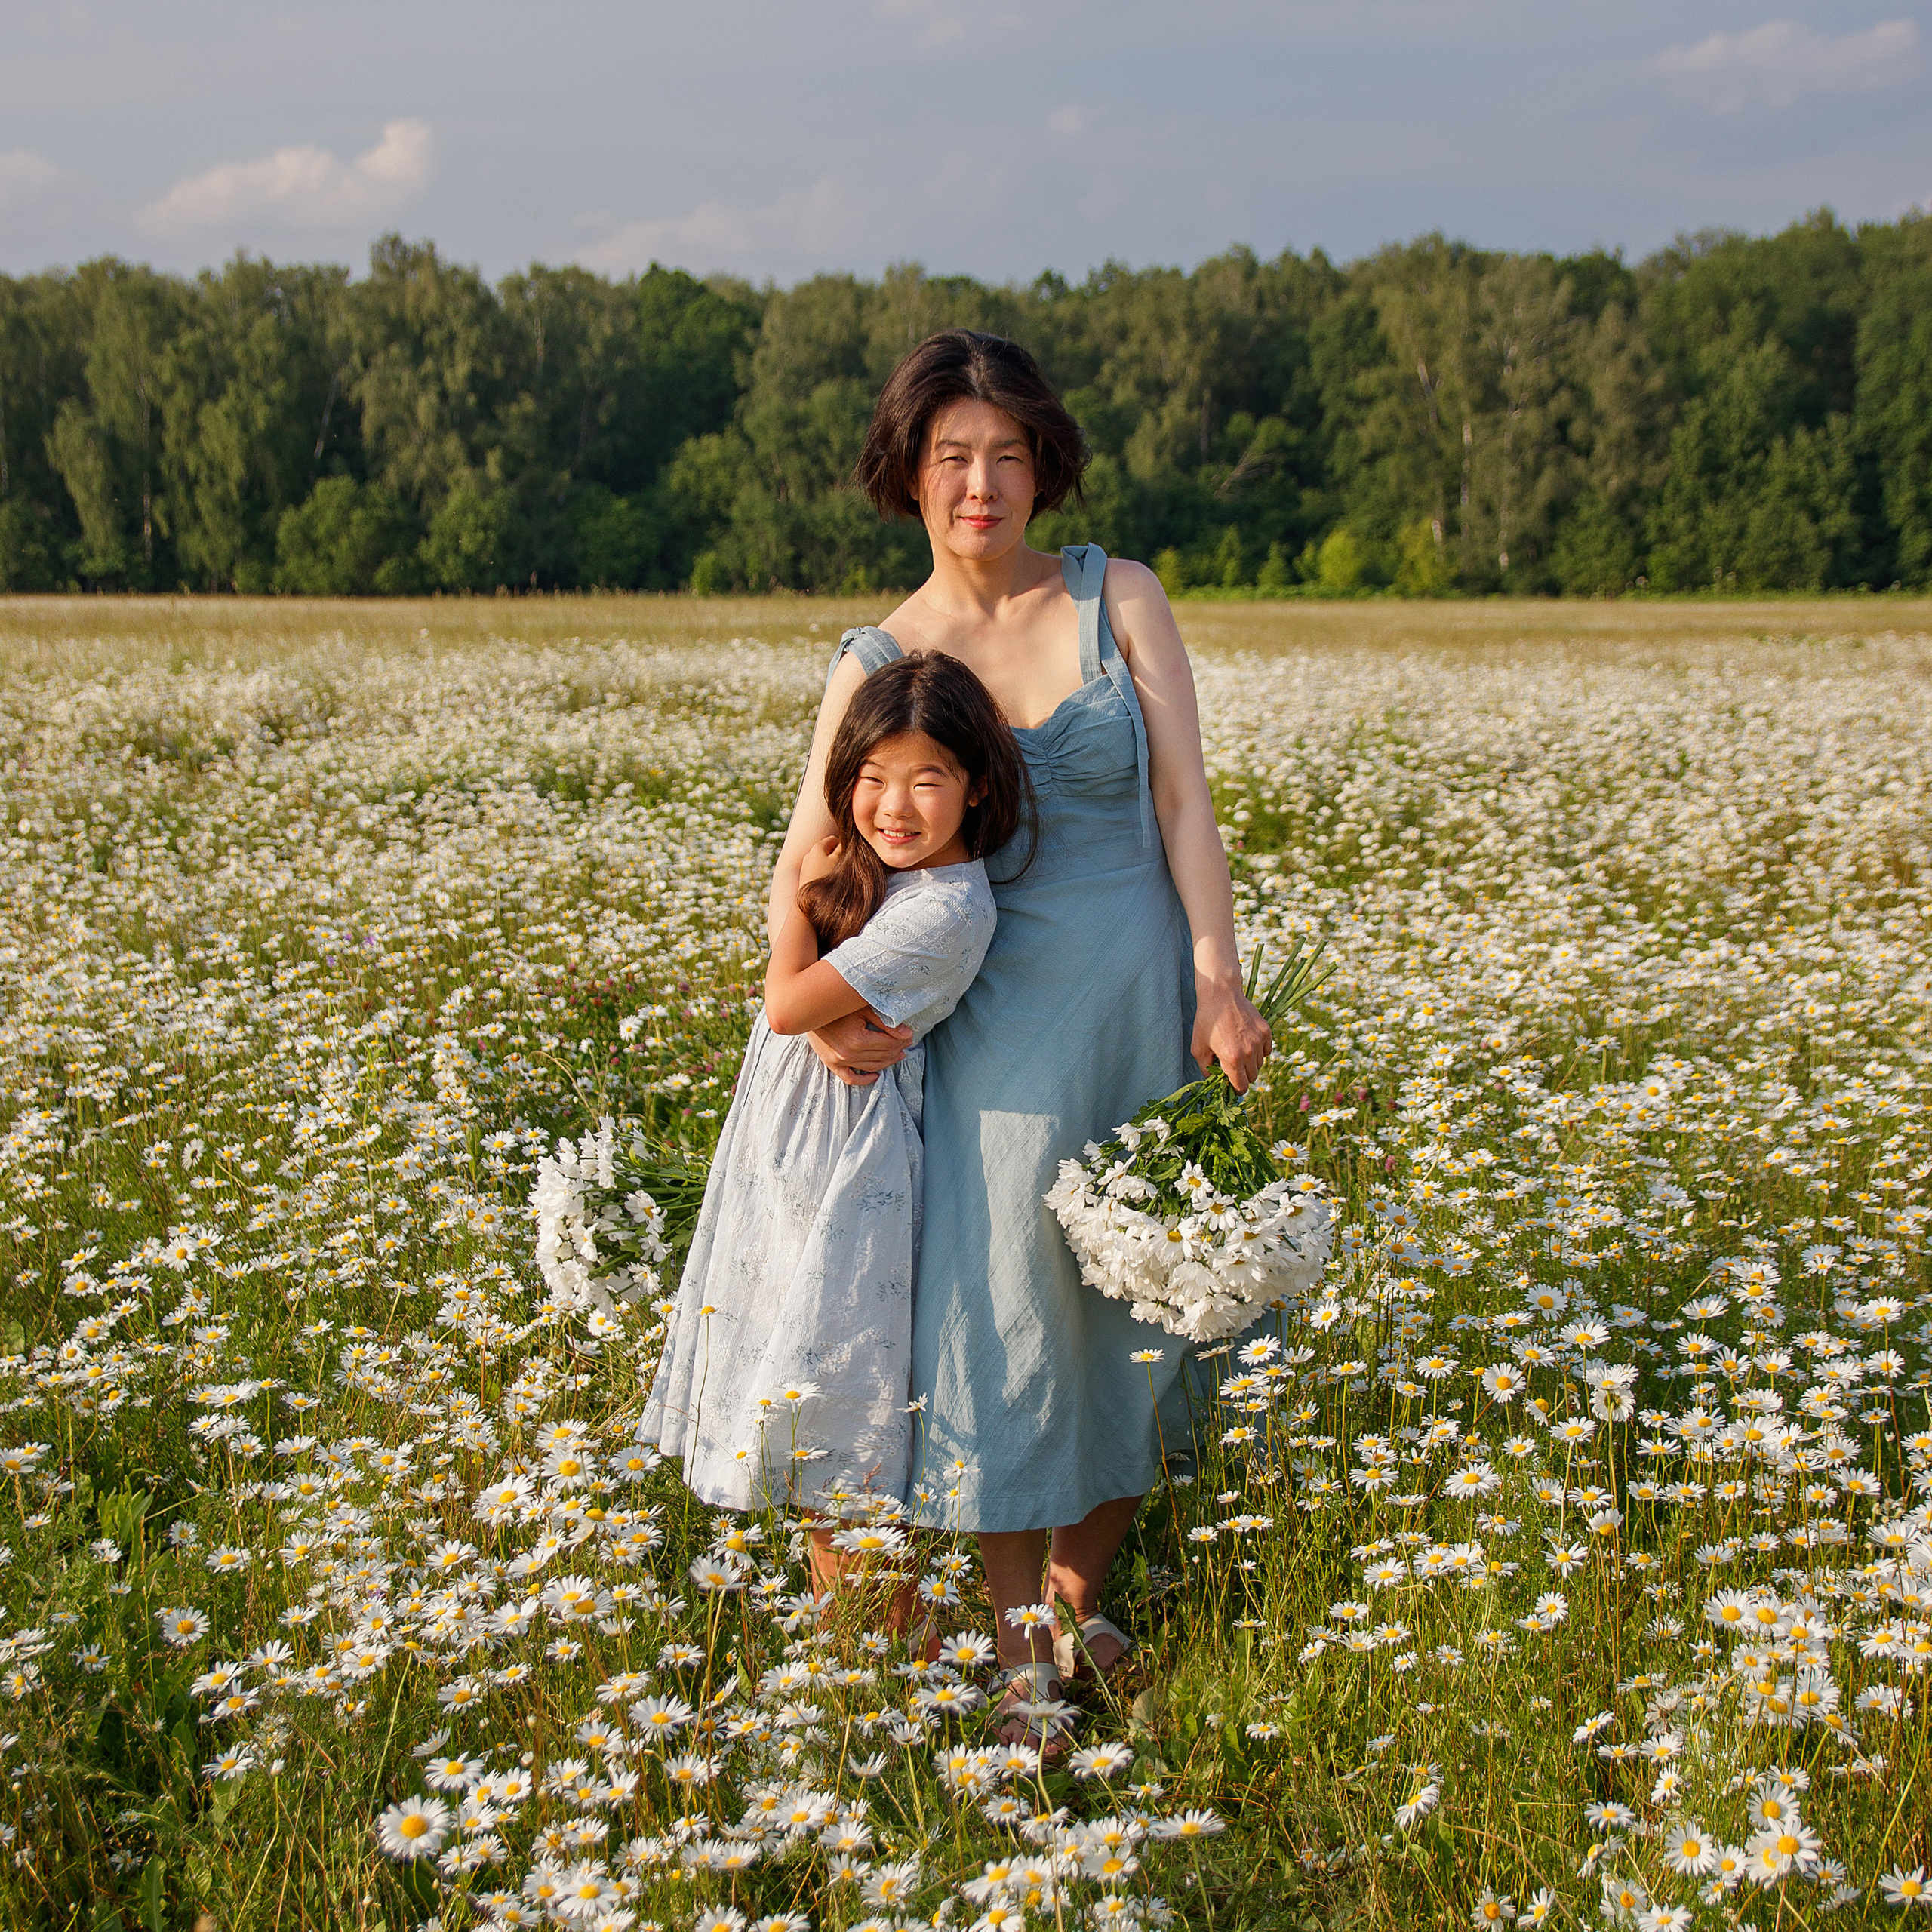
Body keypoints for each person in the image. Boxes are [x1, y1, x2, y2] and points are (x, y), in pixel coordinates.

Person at [765, 328, 1272, 1753]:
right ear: (909, 477)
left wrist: (1218, 981)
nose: (979, 485)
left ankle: (1075, 1596)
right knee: (999, 1315)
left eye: (1003, 455)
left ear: (1042, 463)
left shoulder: (1126, 600)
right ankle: (1018, 1654)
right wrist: (813, 1021)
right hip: (979, 1026)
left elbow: (1186, 808)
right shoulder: (879, 654)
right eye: (950, 460)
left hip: (1139, 1009)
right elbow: (802, 855)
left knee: (1143, 1299)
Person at [641, 651, 1025, 1599]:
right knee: (798, 1391)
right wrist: (810, 994)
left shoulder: (945, 907)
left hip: (845, 1161)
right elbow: (805, 1007)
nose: (894, 805)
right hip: (793, 1146)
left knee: (829, 1406)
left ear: (975, 786)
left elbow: (786, 1003)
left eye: (926, 778)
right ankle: (859, 1645)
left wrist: (789, 923)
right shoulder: (886, 879)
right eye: (871, 778)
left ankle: (876, 1654)